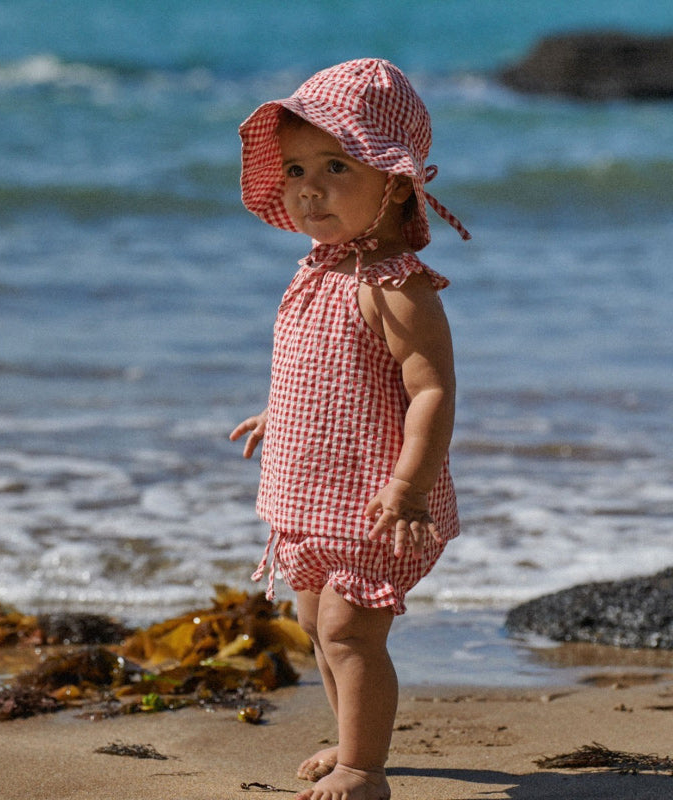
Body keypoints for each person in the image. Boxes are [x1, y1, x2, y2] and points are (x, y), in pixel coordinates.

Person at [230, 59, 470, 800]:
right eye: (297, 168)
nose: (308, 186)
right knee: (314, 620)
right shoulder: (318, 269)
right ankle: (349, 741)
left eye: (335, 166)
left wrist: (410, 486)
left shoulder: (397, 287)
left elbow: (431, 390)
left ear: (395, 181)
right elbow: (327, 369)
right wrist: (285, 411)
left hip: (380, 503)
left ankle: (365, 770)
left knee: (349, 631)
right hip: (315, 496)